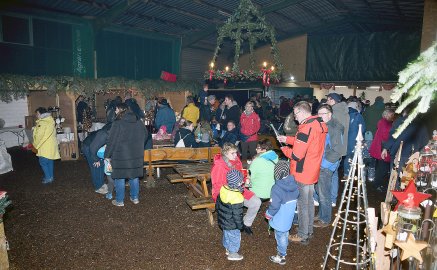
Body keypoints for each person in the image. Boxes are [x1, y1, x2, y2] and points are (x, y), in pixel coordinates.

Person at [277, 101, 327, 244]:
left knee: (303, 205)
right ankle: (308, 230)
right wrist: (287, 139)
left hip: (302, 171)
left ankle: (303, 234)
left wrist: (284, 149)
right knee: (309, 203)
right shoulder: (318, 124)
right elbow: (305, 142)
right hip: (312, 169)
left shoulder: (306, 128)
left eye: (295, 113)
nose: (294, 117)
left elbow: (297, 155)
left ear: (301, 112)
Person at [211, 143, 261, 235]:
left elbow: (241, 174)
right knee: (233, 211)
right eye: (232, 153)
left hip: (239, 189)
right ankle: (232, 230)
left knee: (256, 202)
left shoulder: (237, 160)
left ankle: (246, 223)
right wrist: (221, 199)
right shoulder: (219, 166)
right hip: (226, 193)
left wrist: (245, 179)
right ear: (225, 153)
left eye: (236, 153)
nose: (235, 155)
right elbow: (217, 185)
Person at [104, 103, 147, 206]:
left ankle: (119, 201)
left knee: (120, 177)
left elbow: (111, 141)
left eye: (116, 109)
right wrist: (138, 145)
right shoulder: (138, 122)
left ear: (120, 110)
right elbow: (145, 135)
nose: (115, 111)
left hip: (120, 155)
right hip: (135, 153)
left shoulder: (118, 123)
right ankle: (135, 198)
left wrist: (107, 155)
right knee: (134, 176)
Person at [313, 104, 344, 228]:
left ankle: (325, 219)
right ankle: (321, 214)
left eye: (323, 114)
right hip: (321, 164)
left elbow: (337, 151)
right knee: (320, 191)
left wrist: (323, 165)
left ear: (330, 115)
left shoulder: (334, 128)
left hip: (326, 166)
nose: (320, 116)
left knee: (324, 193)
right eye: (318, 114)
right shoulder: (324, 125)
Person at [265, 160, 299, 265]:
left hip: (280, 218)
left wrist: (268, 214)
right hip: (289, 216)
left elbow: (275, 206)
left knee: (280, 236)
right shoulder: (295, 184)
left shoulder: (277, 188)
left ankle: (281, 256)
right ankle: (284, 245)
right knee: (285, 232)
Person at [215, 169, 245, 261]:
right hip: (232, 223)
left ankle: (227, 247)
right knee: (235, 236)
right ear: (238, 183)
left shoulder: (223, 189)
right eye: (241, 181)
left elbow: (217, 204)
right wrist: (240, 225)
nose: (242, 182)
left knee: (227, 233)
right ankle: (233, 253)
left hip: (224, 220)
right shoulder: (237, 197)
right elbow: (237, 215)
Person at [326, 93, 349, 206]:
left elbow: (332, 132)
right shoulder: (345, 111)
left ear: (332, 100)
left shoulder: (334, 112)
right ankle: (333, 199)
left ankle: (329, 199)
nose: (326, 101)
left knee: (328, 174)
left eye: (328, 99)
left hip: (333, 148)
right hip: (341, 147)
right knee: (334, 174)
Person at [81, 122, 112, 194]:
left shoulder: (111, 129)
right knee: (96, 166)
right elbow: (93, 147)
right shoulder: (104, 133)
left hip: (97, 147)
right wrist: (96, 159)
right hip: (88, 146)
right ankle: (98, 187)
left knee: (101, 165)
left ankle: (101, 184)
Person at [369, 109, 394, 192]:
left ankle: (377, 183)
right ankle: (377, 185)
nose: (393, 116)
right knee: (382, 168)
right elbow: (386, 136)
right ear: (387, 115)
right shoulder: (386, 123)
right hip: (382, 148)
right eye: (391, 115)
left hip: (379, 147)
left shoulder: (382, 122)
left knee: (381, 167)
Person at [33, 107, 60, 184]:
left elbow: (39, 136)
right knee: (50, 161)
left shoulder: (42, 123)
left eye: (37, 114)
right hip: (51, 145)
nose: (36, 115)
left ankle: (48, 178)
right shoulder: (50, 120)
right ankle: (51, 176)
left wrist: (35, 145)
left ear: (41, 114)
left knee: (43, 162)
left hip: (44, 146)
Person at [344, 101, 366, 178]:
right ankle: (354, 175)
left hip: (344, 139)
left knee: (347, 157)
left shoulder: (344, 115)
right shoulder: (358, 116)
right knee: (355, 157)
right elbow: (362, 129)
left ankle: (346, 174)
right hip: (354, 139)